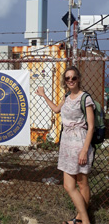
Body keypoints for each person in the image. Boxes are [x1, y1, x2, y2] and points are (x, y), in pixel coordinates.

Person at [36, 66, 95, 224]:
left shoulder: (85, 98)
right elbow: (56, 109)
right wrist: (44, 95)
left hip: (81, 143)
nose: (70, 81)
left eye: (73, 78)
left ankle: (81, 220)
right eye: (67, 78)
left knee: (82, 183)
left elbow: (91, 127)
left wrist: (84, 151)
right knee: (68, 185)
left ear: (78, 79)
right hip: (67, 144)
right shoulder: (67, 96)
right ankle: (85, 220)